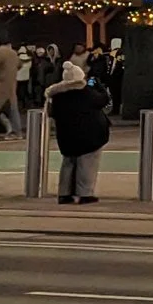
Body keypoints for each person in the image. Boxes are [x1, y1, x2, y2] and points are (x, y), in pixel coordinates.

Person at [43, 58, 111, 203]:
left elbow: (53, 113)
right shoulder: (86, 92)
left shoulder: (57, 96)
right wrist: (99, 86)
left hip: (66, 136)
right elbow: (103, 100)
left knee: (68, 163)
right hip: (90, 136)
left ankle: (64, 193)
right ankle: (85, 194)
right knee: (87, 164)